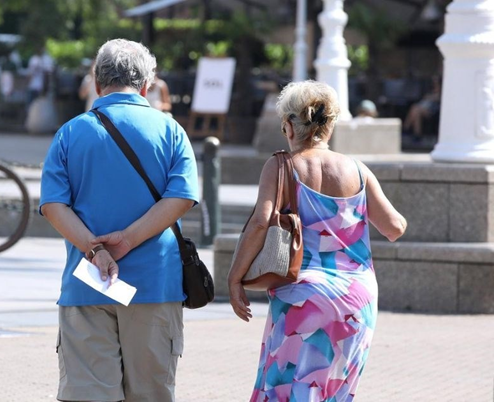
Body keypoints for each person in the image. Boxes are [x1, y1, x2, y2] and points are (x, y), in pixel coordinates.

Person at [226, 80, 407, 401]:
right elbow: (394, 227)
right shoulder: (358, 170)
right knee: (334, 393)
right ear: (331, 125)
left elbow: (260, 223)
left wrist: (234, 276)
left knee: (288, 389)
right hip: (357, 299)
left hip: (303, 296)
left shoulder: (281, 166)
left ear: (288, 126)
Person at [40, 39, 199, 402]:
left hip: (88, 282)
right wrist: (126, 239)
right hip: (155, 283)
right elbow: (182, 197)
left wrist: (95, 249)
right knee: (151, 393)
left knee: (87, 394)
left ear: (97, 84)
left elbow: (53, 205)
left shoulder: (70, 132)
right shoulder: (171, 131)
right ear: (146, 85)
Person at [403, 76, 441, 140]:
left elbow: (436, 101)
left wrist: (431, 97)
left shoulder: (441, 94)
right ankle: (417, 134)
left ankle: (406, 128)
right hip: (422, 108)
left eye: (436, 83)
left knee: (415, 109)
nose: (435, 84)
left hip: (431, 111)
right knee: (415, 111)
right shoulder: (430, 92)